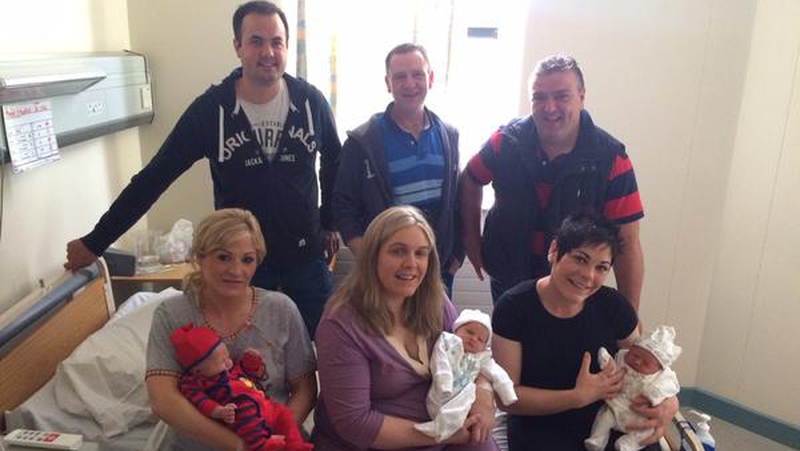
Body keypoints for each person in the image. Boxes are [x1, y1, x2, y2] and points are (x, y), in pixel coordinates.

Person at [64, 0, 341, 336]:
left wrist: (330, 222)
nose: (268, 52)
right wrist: (96, 242)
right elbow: (153, 178)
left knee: (326, 351)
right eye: (256, 41)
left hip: (305, 260)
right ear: (237, 46)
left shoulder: (310, 103)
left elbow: (335, 165)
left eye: (276, 42)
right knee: (246, 365)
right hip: (240, 267)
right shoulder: (211, 111)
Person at [458, 54, 644, 309]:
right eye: (539, 97)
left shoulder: (611, 160)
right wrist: (471, 241)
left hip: (572, 289)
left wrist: (629, 318)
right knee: (507, 347)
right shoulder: (505, 142)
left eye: (561, 96)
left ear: (582, 96)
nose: (549, 107)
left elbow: (628, 244)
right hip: (508, 279)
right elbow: (470, 177)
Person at [313, 206, 497, 450]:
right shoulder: (341, 325)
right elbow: (354, 423)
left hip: (442, 430)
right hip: (368, 443)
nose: (411, 264)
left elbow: (473, 355)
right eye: (398, 251)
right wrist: (441, 435)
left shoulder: (435, 300)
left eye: (421, 253)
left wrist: (483, 395)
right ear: (373, 255)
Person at [491, 212, 677, 451]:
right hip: (541, 423)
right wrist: (577, 397)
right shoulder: (514, 308)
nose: (588, 276)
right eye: (580, 259)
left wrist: (670, 404)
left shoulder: (614, 307)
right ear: (554, 250)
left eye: (601, 267)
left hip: (607, 416)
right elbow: (508, 398)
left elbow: (650, 366)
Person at [146, 208, 317, 451]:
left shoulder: (280, 309)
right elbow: (163, 400)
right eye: (223, 257)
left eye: (247, 259)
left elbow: (306, 387)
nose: (236, 271)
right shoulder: (171, 315)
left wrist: (275, 439)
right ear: (199, 257)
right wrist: (241, 446)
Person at [332, 43, 462, 297]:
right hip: (387, 271)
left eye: (417, 74)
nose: (409, 83)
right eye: (400, 77)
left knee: (436, 336)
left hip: (439, 269)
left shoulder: (449, 135)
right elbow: (343, 207)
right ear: (388, 83)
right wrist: (372, 257)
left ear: (431, 78)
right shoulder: (363, 141)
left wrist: (457, 255)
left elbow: (457, 202)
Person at [170, 323, 313, 451]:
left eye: (226, 356)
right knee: (248, 419)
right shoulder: (196, 383)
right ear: (197, 370)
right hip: (240, 410)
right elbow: (200, 401)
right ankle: (261, 446)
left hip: (266, 406)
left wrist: (252, 361)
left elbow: (248, 374)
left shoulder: (231, 370)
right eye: (221, 361)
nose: (227, 362)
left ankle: (294, 445)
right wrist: (217, 411)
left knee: (285, 414)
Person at [415, 309, 517, 442]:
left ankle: (439, 430)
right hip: (442, 389)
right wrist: (444, 381)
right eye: (469, 332)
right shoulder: (448, 341)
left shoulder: (482, 357)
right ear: (456, 329)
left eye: (480, 339)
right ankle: (436, 429)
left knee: (458, 411)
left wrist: (508, 393)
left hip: (464, 394)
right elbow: (439, 360)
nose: (473, 339)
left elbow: (498, 374)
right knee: (438, 406)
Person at [585, 325, 682, 451]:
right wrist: (606, 360)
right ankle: (597, 440)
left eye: (646, 363)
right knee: (604, 417)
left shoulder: (663, 376)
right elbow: (613, 369)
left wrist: (656, 395)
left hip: (641, 417)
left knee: (646, 432)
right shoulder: (622, 358)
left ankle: (627, 446)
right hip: (616, 408)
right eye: (635, 355)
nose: (637, 362)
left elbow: (669, 388)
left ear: (658, 368)